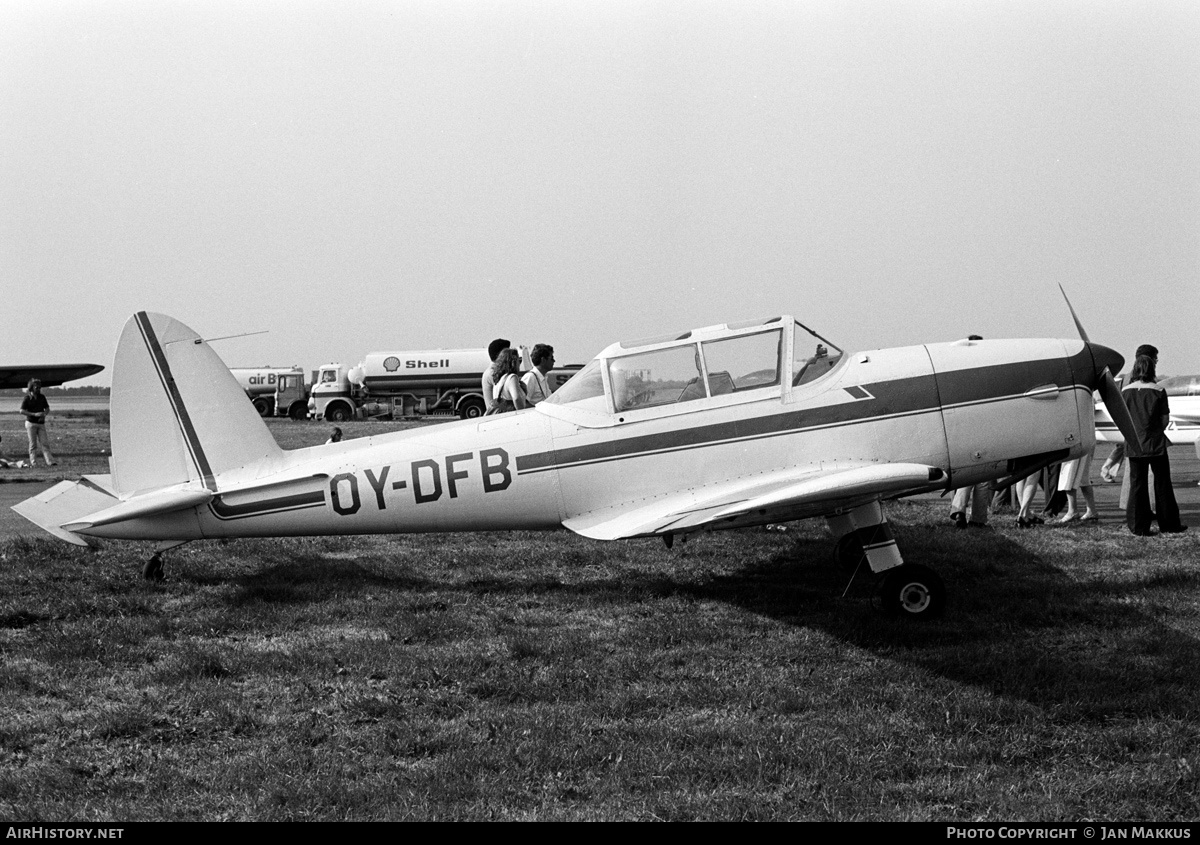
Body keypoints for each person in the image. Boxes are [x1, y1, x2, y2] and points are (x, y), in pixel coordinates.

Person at [1123, 346, 1186, 535]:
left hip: (1134, 443)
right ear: (1152, 369)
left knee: (1137, 484)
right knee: (1162, 483)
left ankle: (1137, 526)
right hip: (1156, 443)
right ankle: (1169, 524)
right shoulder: (1158, 390)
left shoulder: (1125, 391)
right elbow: (1164, 419)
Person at [20, 379, 56, 467]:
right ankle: (34, 462)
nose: (38, 389)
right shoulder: (27, 398)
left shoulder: (42, 397)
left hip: (41, 423)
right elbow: (21, 411)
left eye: (39, 387)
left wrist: (44, 414)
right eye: (36, 387)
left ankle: (50, 462)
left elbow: (47, 408)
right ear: (31, 388)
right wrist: (34, 414)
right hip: (31, 423)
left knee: (44, 443)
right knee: (33, 444)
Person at [1056, 451, 1099, 523]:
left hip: (1074, 444)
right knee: (1084, 477)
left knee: (1069, 476)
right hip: (1086, 444)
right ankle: (1091, 510)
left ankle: (1072, 511)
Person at [487, 348, 529, 414]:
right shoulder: (512, 377)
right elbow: (516, 398)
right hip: (511, 416)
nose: (519, 364)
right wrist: (522, 413)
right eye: (519, 360)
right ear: (513, 362)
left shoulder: (498, 379)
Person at [481, 338, 510, 414]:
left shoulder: (491, 371)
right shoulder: (494, 372)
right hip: (497, 415)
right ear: (500, 355)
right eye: (507, 352)